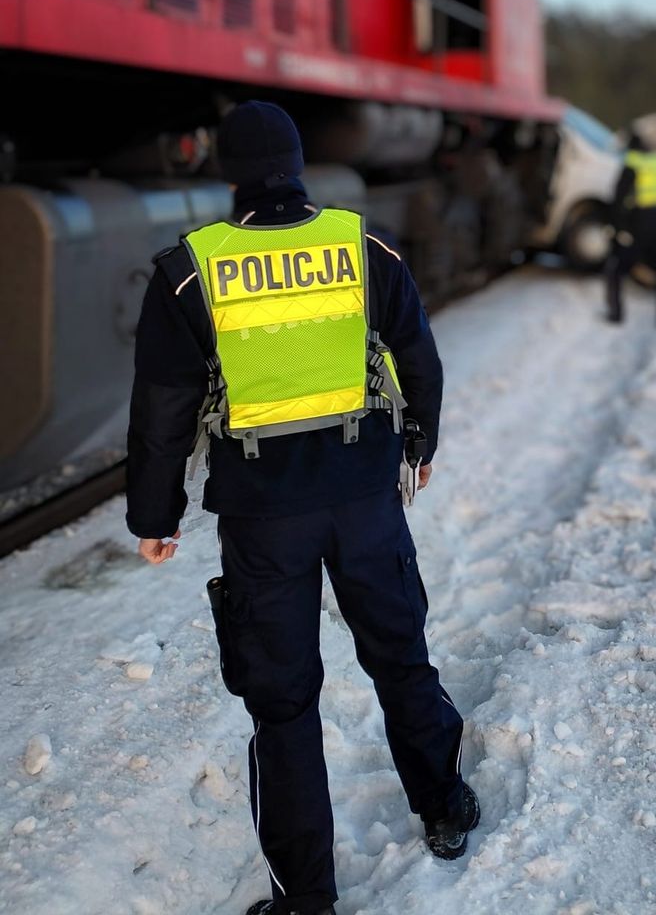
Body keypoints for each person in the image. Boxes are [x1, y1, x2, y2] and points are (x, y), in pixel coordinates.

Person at [126, 101, 478, 915]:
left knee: (281, 702)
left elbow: (163, 408)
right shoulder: (362, 244)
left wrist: (157, 515)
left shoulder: (190, 269)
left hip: (262, 515)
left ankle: (306, 900)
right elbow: (417, 354)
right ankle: (444, 805)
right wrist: (417, 445)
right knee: (399, 654)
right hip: (363, 498)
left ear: (228, 174)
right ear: (298, 164)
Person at [604, 130, 656, 326]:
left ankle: (616, 314)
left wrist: (618, 229)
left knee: (617, 269)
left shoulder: (632, 162)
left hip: (640, 224)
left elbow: (619, 198)